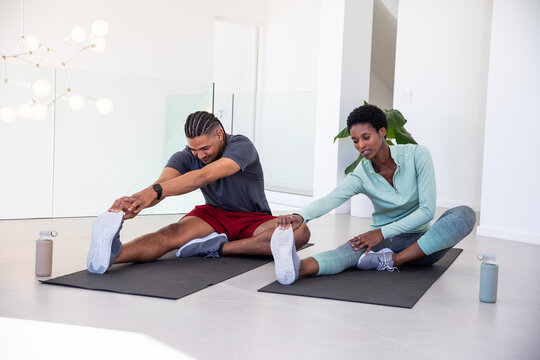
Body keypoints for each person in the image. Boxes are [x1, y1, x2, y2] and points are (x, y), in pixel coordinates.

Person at [269, 104, 476, 285]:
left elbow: (427, 211)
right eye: (355, 141)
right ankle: (297, 267)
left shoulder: (417, 155)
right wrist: (300, 216)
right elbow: (333, 198)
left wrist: (381, 233)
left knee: (465, 214)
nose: (361, 145)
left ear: (382, 132)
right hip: (383, 244)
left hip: (423, 244)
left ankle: (393, 261)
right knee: (347, 251)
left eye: (366, 137)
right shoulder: (362, 174)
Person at [87, 111, 310, 274]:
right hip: (213, 216)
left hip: (253, 219)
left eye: (205, 148)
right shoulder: (184, 157)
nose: (200, 155)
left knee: (300, 232)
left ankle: (216, 247)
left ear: (219, 135)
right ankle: (112, 254)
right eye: (194, 149)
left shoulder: (241, 145)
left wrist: (154, 191)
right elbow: (162, 186)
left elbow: (204, 176)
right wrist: (136, 200)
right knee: (169, 233)